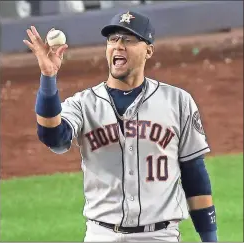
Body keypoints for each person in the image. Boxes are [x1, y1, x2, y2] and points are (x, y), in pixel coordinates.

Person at [23, 10, 218, 242]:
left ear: (149, 50)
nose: (118, 46)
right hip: (101, 235)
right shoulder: (84, 103)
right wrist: (48, 77)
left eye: (129, 40)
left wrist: (209, 238)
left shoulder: (177, 101)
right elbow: (52, 136)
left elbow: (194, 175)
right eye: (113, 39)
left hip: (160, 236)